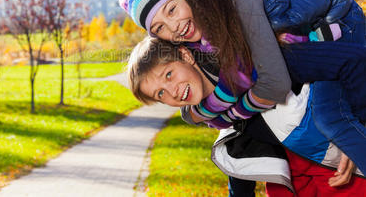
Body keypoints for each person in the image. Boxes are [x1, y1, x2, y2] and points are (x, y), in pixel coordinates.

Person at [116, 0, 366, 173]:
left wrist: (221, 114)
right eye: (159, 28)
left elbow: (274, 85)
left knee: (332, 119)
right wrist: (193, 113)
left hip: (338, 21)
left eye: (172, 9)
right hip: (306, 39)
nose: (174, 27)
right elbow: (204, 87)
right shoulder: (197, 37)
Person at [127, 36, 366, 196]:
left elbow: (344, 69)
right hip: (296, 180)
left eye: (169, 74)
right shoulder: (224, 120)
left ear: (186, 56)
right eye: (160, 93)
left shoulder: (265, 67)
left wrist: (355, 136)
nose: (172, 91)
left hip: (344, 169)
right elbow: (241, 170)